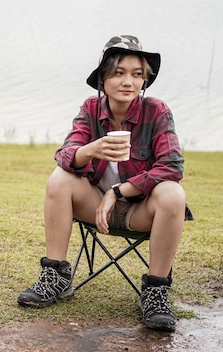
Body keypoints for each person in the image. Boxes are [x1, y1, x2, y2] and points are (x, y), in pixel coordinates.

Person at [16, 35, 193, 331]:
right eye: (119, 73)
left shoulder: (157, 111)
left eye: (137, 74)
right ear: (103, 79)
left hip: (140, 211)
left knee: (173, 193)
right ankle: (54, 276)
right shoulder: (90, 108)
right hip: (95, 207)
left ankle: (155, 292)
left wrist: (119, 191)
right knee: (60, 178)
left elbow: (172, 166)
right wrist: (91, 150)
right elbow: (65, 155)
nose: (128, 82)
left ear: (145, 81)